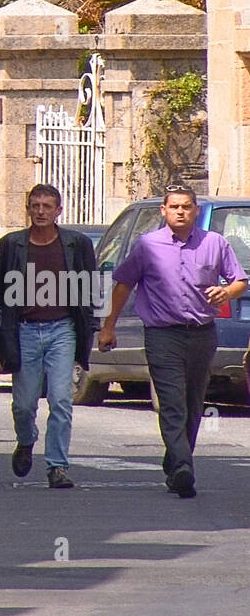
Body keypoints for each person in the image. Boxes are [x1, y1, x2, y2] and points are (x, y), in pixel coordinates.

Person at [101, 184, 248, 498]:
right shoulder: (147, 245)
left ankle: (176, 458)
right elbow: (124, 285)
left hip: (201, 334)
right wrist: (108, 326)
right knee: (171, 401)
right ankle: (183, 467)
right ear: (163, 211)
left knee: (193, 402)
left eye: (187, 207)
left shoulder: (215, 243)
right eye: (175, 207)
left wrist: (226, 292)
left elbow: (239, 280)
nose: (181, 212)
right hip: (162, 334)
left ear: (195, 210)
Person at [0, 184, 100, 490]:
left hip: (63, 328)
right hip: (24, 329)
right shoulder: (11, 245)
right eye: (35, 205)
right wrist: (0, 325)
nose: (40, 211)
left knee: (61, 399)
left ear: (58, 211)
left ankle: (57, 466)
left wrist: (94, 327)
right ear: (28, 209)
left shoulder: (76, 244)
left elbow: (90, 288)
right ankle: (25, 441)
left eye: (47, 206)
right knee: (24, 405)